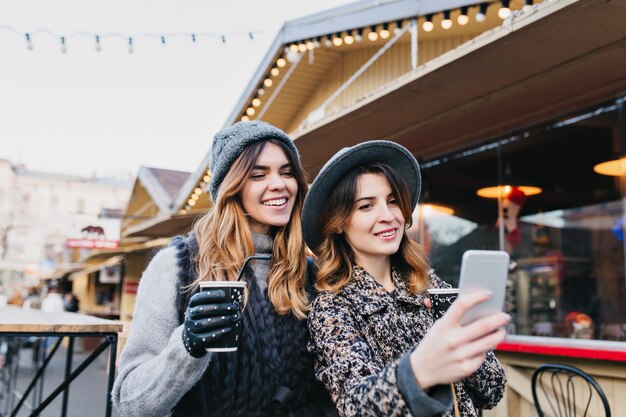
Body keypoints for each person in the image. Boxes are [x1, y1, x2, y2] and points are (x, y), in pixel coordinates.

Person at [113, 121, 335, 417]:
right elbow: (129, 402)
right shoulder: (177, 267)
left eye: (286, 172)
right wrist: (188, 345)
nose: (279, 183)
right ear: (232, 187)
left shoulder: (311, 274)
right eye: (258, 174)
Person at [302, 140, 509, 417]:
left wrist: (472, 346)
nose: (387, 216)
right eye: (366, 206)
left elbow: (492, 391)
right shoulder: (332, 308)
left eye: (392, 201)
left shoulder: (429, 287)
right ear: (339, 222)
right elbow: (356, 405)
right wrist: (420, 370)